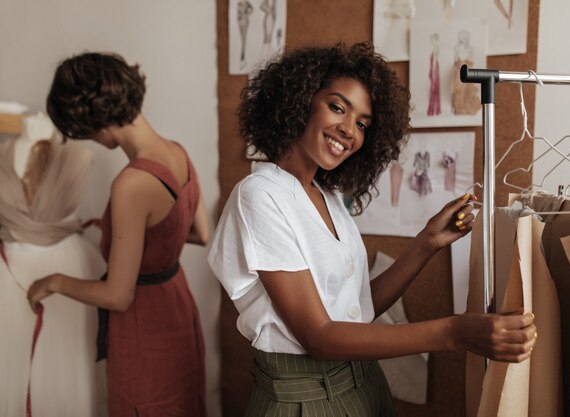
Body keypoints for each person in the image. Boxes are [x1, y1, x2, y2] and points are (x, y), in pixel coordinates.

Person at [208, 42, 537, 416]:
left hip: (363, 384)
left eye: (362, 124)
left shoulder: (325, 196)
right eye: (337, 107)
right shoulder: (259, 195)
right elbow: (319, 337)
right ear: (299, 101)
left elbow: (356, 309)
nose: (349, 130)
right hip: (307, 399)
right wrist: (455, 332)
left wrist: (427, 242)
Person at [26, 52, 209, 416]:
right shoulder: (178, 153)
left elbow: (117, 296)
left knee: (145, 406)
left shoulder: (131, 184)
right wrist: (136, 238)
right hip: (178, 306)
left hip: (145, 328)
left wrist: (55, 282)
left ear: (95, 123)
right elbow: (200, 233)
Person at [1, 113, 106, 417]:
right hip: (10, 269)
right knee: (11, 364)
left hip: (68, 267)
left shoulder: (77, 154)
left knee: (66, 359)